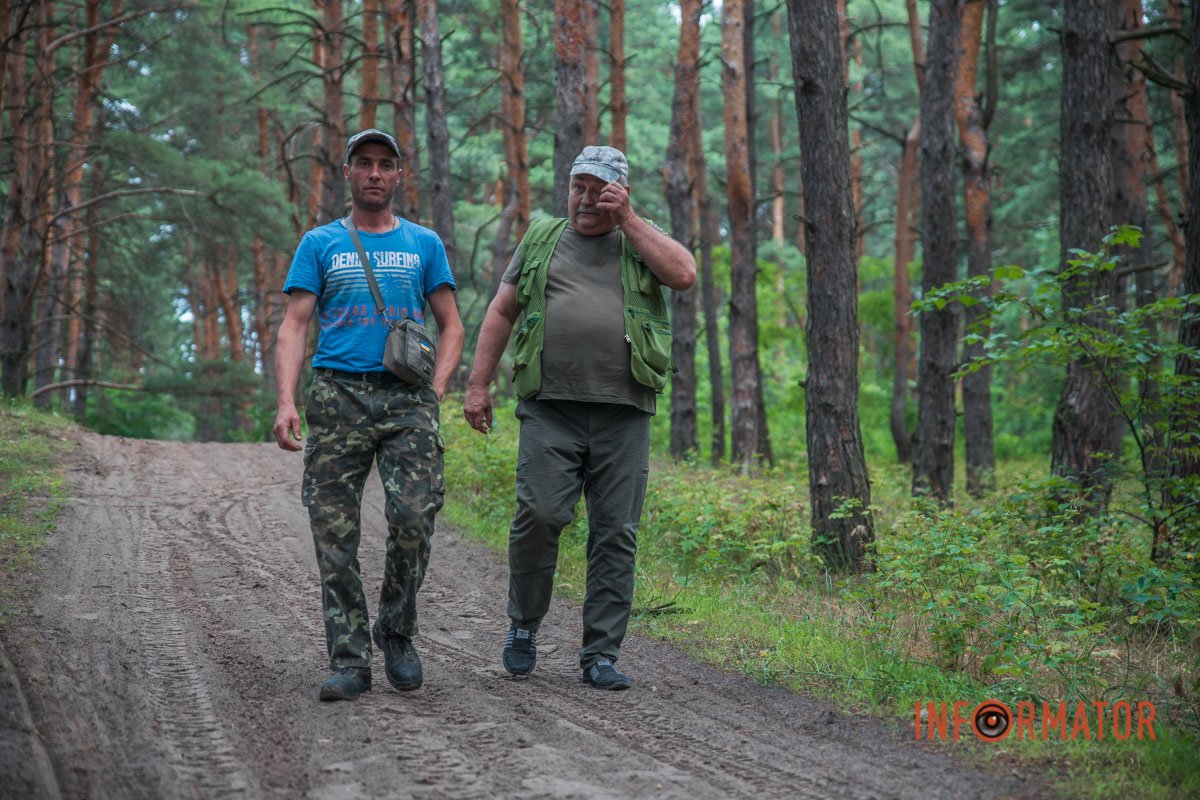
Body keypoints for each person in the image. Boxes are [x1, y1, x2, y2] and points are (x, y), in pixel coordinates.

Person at [463, 145, 696, 690]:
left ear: (619, 192)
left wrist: (630, 220)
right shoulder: (543, 237)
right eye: (579, 188)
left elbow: (683, 274)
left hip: (624, 411)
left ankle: (601, 654)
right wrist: (478, 385)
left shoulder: (639, 237)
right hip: (550, 408)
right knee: (539, 515)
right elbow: (502, 308)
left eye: (599, 190)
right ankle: (523, 626)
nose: (586, 200)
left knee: (616, 533)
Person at [273, 128, 464, 702]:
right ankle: (350, 659)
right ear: (349, 174)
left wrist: (436, 386)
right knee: (334, 532)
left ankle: (397, 632)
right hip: (337, 396)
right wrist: (285, 399)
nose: (375, 173)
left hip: (407, 398)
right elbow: (294, 326)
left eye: (385, 164)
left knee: (413, 516)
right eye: (364, 164)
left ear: (399, 176)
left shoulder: (424, 243)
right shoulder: (321, 243)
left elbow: (452, 324)